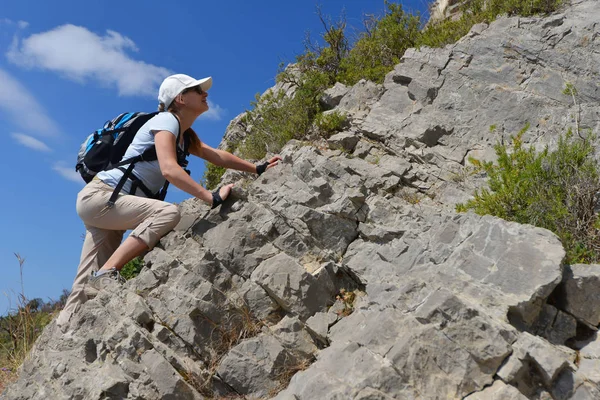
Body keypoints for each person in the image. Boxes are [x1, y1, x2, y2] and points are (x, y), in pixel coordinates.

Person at [56, 73, 281, 331]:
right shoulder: (165, 121)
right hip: (102, 196)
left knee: (84, 287)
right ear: (181, 98)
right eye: (198, 90)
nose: (205, 94)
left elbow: (216, 155)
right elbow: (169, 170)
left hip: (105, 205)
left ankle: (65, 331)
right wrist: (210, 196)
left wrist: (257, 168)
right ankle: (109, 273)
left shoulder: (185, 136)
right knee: (168, 213)